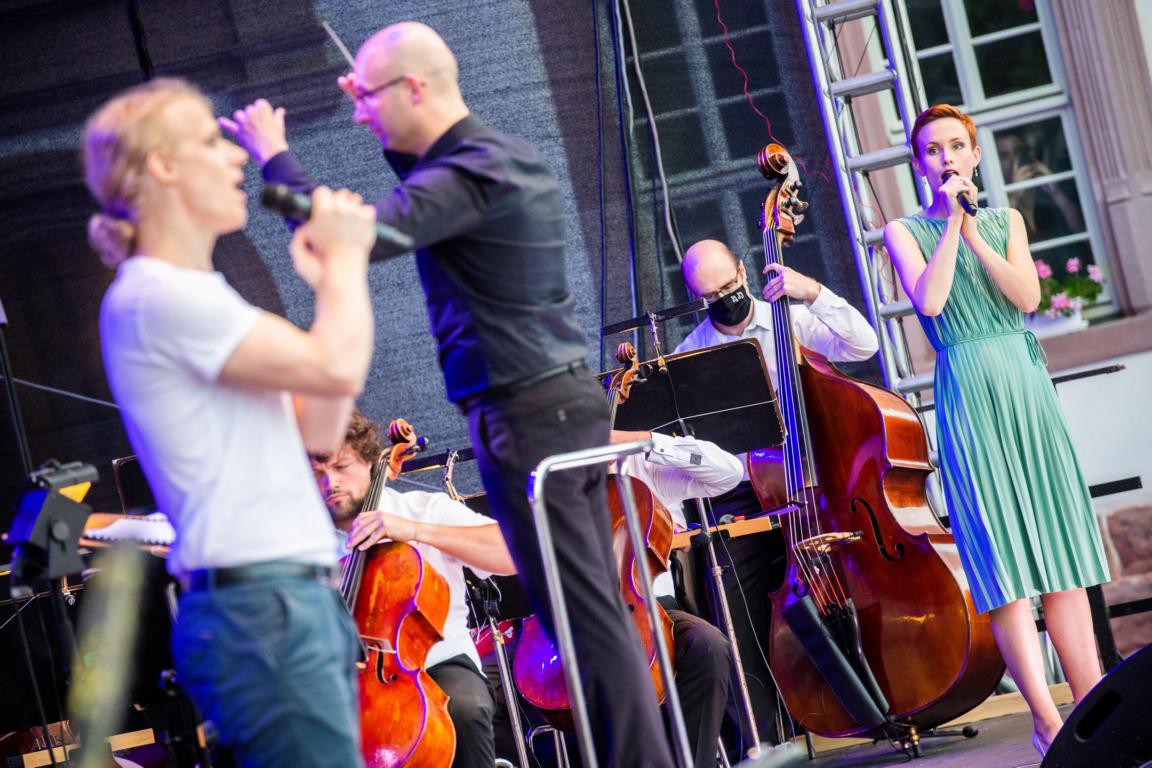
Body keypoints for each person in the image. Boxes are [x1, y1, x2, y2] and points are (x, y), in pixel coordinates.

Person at [222, 22, 673, 766]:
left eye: (367, 98)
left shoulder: (469, 174)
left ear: (415, 89)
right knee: (579, 616)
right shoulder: (486, 160)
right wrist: (373, 98)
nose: (359, 111)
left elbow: (352, 234)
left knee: (584, 619)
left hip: (530, 418)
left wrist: (273, 153)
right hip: (542, 409)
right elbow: (408, 169)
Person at [86, 78, 378, 766]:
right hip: (263, 611)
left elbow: (320, 425)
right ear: (161, 165)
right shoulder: (159, 296)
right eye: (213, 141)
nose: (236, 157)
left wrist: (333, 282)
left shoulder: (198, 298)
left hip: (284, 603)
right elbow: (337, 369)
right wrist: (344, 266)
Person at [882, 103, 1110, 756]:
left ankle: (1097, 709)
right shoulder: (902, 231)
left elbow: (1028, 298)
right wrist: (953, 225)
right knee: (1004, 565)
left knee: (1061, 557)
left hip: (1025, 387)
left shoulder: (1006, 220)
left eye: (957, 146)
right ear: (921, 164)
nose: (947, 157)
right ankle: (1046, 719)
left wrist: (977, 230)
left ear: (975, 155)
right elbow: (929, 300)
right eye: (933, 150)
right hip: (970, 392)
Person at [672, 238, 879, 751]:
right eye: (711, 294)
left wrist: (813, 292)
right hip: (740, 494)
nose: (726, 297)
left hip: (815, 481)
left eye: (730, 285)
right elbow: (683, 454)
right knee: (732, 604)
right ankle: (766, 740)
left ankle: (877, 700)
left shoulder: (788, 322)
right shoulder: (687, 357)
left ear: (744, 271)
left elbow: (863, 345)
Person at [310, 411, 516, 768]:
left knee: (463, 710)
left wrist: (415, 531)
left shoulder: (421, 508)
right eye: (317, 475)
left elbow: (512, 553)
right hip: (343, 684)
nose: (330, 483)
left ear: (372, 464)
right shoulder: (304, 545)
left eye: (342, 467)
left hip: (438, 665)